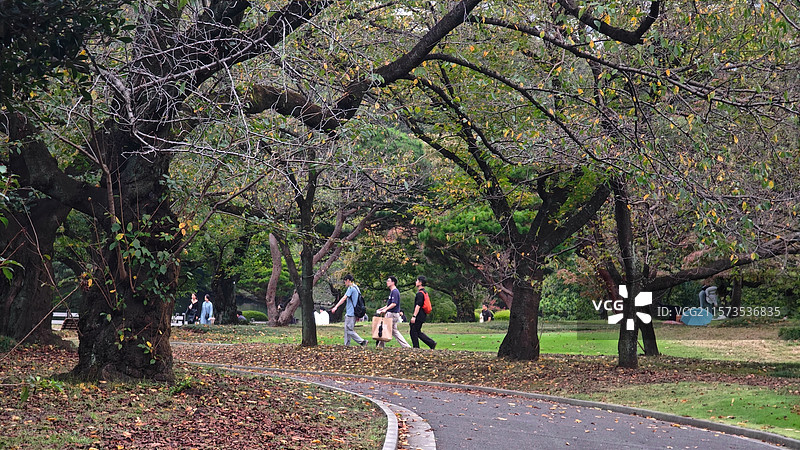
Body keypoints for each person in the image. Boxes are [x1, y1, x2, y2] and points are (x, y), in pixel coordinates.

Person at [330, 274, 368, 347]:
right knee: (347, 329)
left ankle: (362, 341)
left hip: (351, 313)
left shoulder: (351, 288)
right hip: (354, 312)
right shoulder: (356, 288)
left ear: (348, 280)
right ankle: (346, 345)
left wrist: (336, 307)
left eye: (345, 282)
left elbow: (344, 298)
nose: (345, 284)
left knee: (348, 330)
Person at [375, 276, 411, 348]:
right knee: (393, 330)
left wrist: (386, 310)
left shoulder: (395, 291)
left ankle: (380, 346)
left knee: (385, 329)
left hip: (392, 314)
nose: (387, 282)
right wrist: (382, 309)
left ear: (393, 282)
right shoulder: (392, 292)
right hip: (391, 313)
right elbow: (389, 304)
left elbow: (394, 304)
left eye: (388, 281)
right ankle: (406, 346)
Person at [409, 275, 436, 349]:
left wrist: (414, 316)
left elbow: (418, 305)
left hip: (419, 315)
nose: (416, 282)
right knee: (417, 331)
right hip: (422, 315)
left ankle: (416, 347)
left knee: (413, 331)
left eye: (417, 281)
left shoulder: (420, 293)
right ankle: (431, 343)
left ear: (420, 283)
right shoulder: (424, 292)